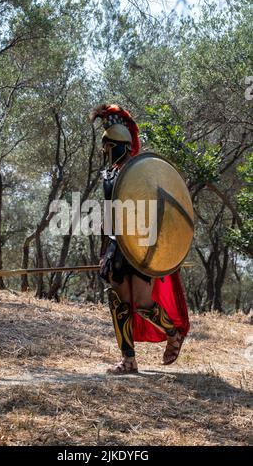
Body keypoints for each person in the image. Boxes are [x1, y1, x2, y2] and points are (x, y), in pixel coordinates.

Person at [90, 104, 190, 375]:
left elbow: (157, 210)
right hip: (116, 244)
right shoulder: (108, 175)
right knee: (118, 300)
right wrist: (105, 248)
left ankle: (173, 334)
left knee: (143, 304)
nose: (106, 150)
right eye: (105, 146)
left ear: (121, 144)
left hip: (141, 245)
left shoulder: (141, 172)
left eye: (109, 145)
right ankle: (129, 360)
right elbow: (110, 213)